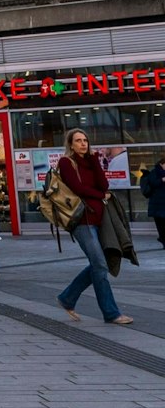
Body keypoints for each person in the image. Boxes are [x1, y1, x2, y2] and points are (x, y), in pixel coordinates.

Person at [54, 128, 135, 325]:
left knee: (100, 264)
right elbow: (77, 188)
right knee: (99, 264)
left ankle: (67, 298)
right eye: (78, 140)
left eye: (85, 140)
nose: (83, 144)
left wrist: (94, 161)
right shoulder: (66, 162)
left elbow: (103, 184)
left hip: (100, 221)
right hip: (82, 222)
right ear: (71, 144)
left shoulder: (91, 161)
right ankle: (111, 313)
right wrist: (100, 196)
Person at [141, 158, 165, 248]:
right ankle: (163, 239)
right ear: (162, 164)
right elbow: (153, 183)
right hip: (157, 203)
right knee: (161, 224)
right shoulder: (154, 172)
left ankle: (162, 238)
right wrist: (162, 180)